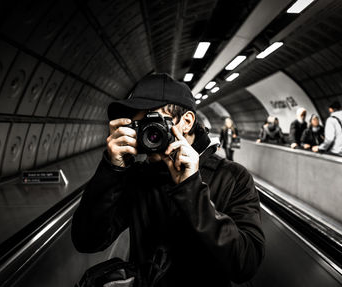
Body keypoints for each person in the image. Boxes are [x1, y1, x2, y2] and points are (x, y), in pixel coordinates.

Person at [71, 73, 264, 287]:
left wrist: (191, 188)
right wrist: (111, 169)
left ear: (187, 121)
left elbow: (245, 263)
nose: (149, 134)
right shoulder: (139, 176)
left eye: (155, 123)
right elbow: (88, 240)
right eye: (140, 126)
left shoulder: (233, 177)